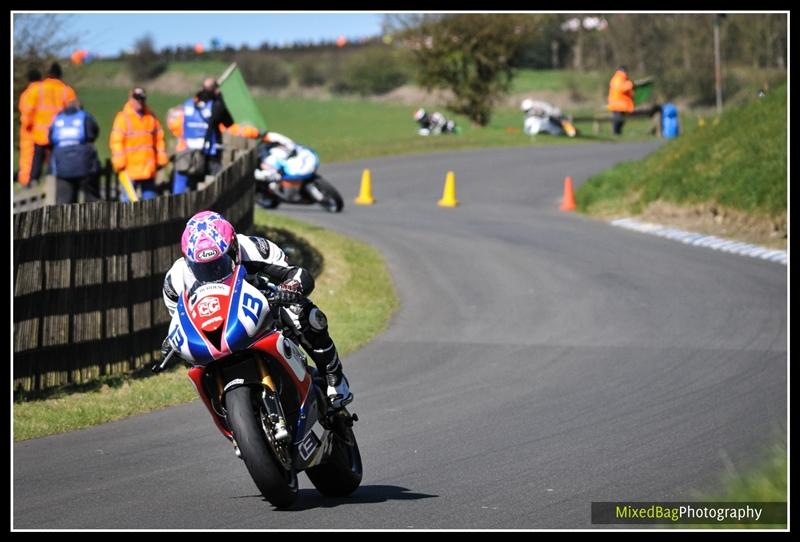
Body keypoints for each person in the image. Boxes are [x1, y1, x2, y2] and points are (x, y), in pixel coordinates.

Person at [159, 211, 353, 414]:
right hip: (218, 328)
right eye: (204, 268)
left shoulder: (254, 248)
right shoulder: (175, 280)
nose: (214, 271)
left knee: (304, 313)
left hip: (264, 312)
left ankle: (334, 378)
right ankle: (232, 420)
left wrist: (290, 288)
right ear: (188, 260)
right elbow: (180, 318)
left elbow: (297, 274)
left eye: (219, 263)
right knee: (193, 364)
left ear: (233, 247)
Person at [172, 78, 234, 194]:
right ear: (216, 90)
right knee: (211, 186)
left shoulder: (188, 104)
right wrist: (220, 98)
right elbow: (229, 122)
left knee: (185, 182)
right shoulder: (215, 106)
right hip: (209, 152)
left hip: (187, 151)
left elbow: (175, 124)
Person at [109, 87, 168, 201]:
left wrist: (161, 159)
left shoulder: (151, 117)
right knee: (128, 204)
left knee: (150, 204)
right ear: (130, 99)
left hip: (148, 169)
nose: (139, 102)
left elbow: (159, 139)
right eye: (137, 99)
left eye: (142, 99)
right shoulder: (123, 118)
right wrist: (119, 163)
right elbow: (116, 142)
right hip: (129, 170)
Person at [25, 63, 78, 184]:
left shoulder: (37, 89)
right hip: (58, 133)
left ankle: (33, 181)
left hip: (39, 132)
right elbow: (74, 112)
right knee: (55, 158)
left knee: (37, 157)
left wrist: (28, 125)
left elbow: (29, 109)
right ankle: (53, 180)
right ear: (60, 75)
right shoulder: (67, 90)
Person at [48, 99, 101, 204]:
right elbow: (94, 133)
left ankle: (63, 220)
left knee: (64, 202)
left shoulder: (58, 118)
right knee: (91, 199)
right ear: (79, 107)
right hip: (85, 165)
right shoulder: (85, 116)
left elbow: (50, 138)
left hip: (62, 167)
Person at [17, 68, 42, 186]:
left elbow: (26, 112)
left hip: (30, 130)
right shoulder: (44, 91)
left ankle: (26, 182)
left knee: (27, 157)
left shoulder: (27, 93)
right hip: (46, 130)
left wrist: (26, 125)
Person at [607, 66, 635, 135]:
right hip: (618, 104)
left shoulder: (622, 78)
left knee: (621, 119)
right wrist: (630, 84)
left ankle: (617, 132)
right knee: (618, 119)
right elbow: (620, 87)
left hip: (620, 104)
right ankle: (615, 132)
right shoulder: (618, 78)